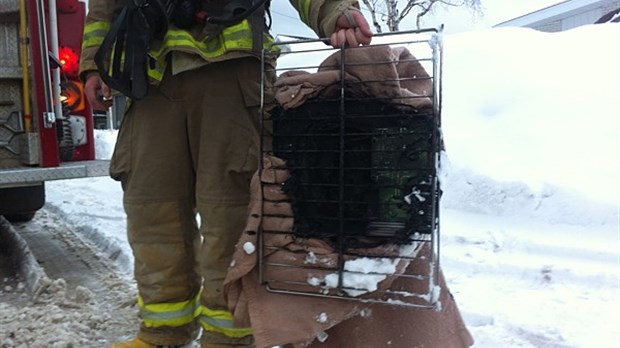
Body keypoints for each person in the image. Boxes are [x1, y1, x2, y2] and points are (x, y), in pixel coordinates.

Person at [79, 1, 372, 348]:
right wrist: (94, 62)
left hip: (231, 73)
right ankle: (162, 332)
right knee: (152, 209)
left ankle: (229, 338)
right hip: (150, 73)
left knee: (230, 217)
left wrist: (334, 11)